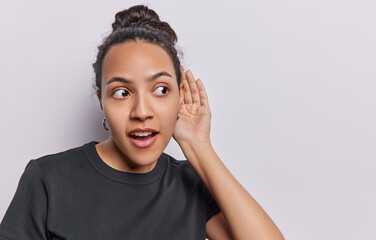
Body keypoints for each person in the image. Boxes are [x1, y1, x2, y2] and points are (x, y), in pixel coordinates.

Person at [0, 4, 285, 240]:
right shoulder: (48, 179)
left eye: (161, 89)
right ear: (102, 101)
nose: (141, 111)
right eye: (122, 93)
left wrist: (198, 145)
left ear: (180, 95)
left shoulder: (191, 184)